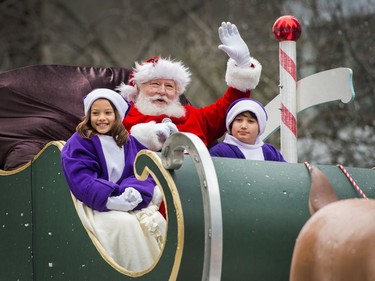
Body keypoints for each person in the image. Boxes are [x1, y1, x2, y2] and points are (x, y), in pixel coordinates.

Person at [61, 88, 166, 271]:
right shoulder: (80, 142)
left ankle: (162, 270)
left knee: (155, 221)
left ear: (117, 115)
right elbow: (81, 178)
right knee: (124, 225)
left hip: (126, 201)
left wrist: (134, 192)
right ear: (88, 116)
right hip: (94, 205)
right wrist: (110, 199)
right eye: (95, 113)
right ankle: (135, 271)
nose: (101, 118)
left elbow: (142, 169)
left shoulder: (128, 141)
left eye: (108, 113)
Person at [117, 22, 262, 151]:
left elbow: (229, 108)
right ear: (138, 88)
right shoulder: (121, 119)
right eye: (155, 84)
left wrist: (243, 65)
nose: (162, 91)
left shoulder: (194, 117)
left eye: (169, 86)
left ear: (177, 92)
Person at [209, 98, 286, 162]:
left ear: (260, 127)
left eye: (250, 121)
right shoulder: (220, 152)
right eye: (239, 120)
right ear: (231, 124)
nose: (243, 126)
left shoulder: (270, 152)